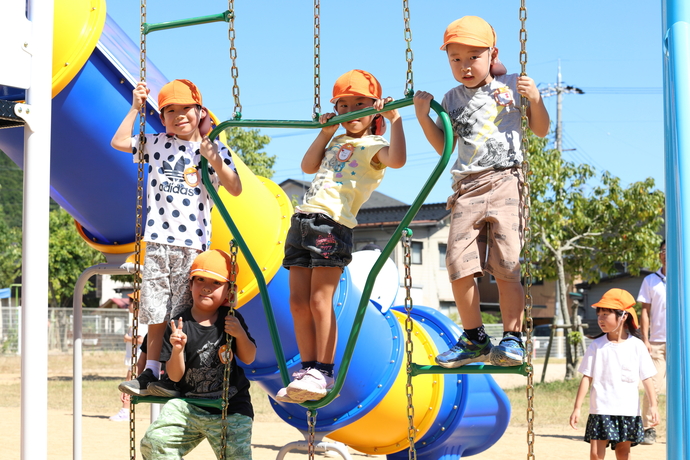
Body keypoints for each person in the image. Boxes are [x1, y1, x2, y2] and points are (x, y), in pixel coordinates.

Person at [413, 16, 549, 368]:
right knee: (457, 263)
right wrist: (424, 117)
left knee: (507, 263)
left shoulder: (511, 84)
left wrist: (534, 98)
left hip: (506, 180)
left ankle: (513, 338)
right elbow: (444, 145)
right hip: (467, 187)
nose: (464, 66)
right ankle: (473, 337)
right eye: (455, 59)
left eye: (473, 56)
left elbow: (541, 129)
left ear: (492, 54)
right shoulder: (451, 98)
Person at [276, 69, 406, 403]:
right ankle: (306, 369)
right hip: (303, 221)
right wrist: (325, 133)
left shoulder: (374, 145)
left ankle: (325, 369)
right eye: (344, 106)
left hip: (332, 225)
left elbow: (399, 160)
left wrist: (397, 122)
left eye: (359, 104)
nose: (351, 112)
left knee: (320, 300)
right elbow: (307, 167)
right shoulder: (336, 140)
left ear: (374, 107)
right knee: (297, 302)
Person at [111, 79, 243, 395]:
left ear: (200, 111)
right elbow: (118, 141)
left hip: (193, 243)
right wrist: (135, 108)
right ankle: (150, 371)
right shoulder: (156, 143)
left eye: (185, 108)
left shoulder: (215, 148)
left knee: (181, 313)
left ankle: (177, 375)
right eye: (170, 110)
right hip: (157, 239)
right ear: (163, 117)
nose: (178, 115)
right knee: (156, 310)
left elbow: (236, 187)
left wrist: (213, 157)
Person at [140, 249, 256, 460]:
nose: (206, 287)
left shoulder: (231, 318)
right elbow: (175, 376)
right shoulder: (178, 324)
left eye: (215, 283)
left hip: (231, 407)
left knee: (237, 456)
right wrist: (177, 349)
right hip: (189, 405)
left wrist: (239, 334)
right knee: (154, 443)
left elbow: (249, 357)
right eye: (200, 280)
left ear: (229, 290)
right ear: (190, 284)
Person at [570, 288, 659, 459]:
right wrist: (577, 408)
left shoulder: (637, 345)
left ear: (623, 316)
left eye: (606, 314)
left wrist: (654, 406)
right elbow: (587, 377)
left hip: (628, 410)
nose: (600, 319)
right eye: (599, 315)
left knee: (623, 453)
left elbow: (647, 378)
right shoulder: (596, 345)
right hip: (600, 409)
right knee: (596, 454)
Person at [637, 239, 666, 445]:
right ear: (659, 255)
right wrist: (645, 339)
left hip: (683, 342)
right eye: (663, 250)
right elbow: (645, 311)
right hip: (657, 342)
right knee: (652, 386)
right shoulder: (651, 280)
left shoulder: (685, 276)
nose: (666, 254)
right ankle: (649, 428)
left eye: (670, 251)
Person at [110, 293, 149, 421]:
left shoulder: (141, 322)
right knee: (129, 383)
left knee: (129, 383)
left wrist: (127, 338)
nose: (129, 305)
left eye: (131, 302)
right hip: (133, 357)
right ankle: (125, 410)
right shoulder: (135, 320)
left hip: (137, 358)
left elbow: (142, 340)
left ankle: (125, 410)